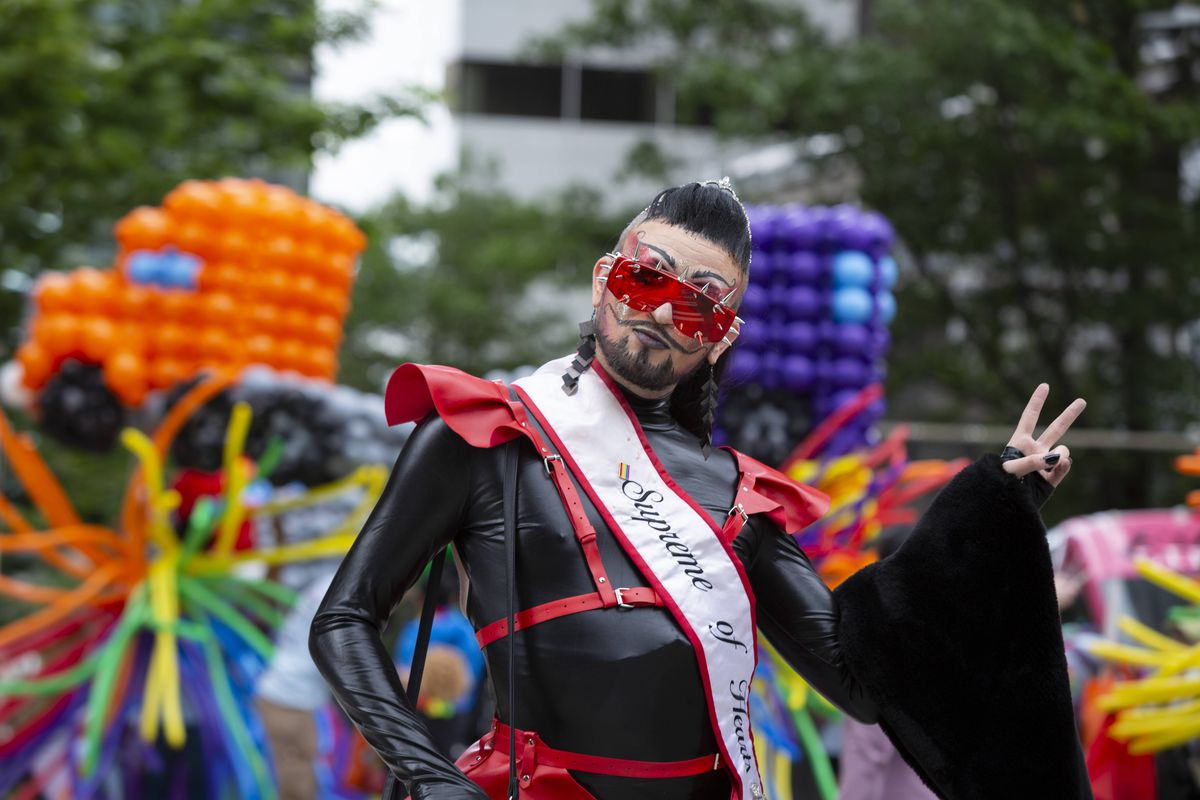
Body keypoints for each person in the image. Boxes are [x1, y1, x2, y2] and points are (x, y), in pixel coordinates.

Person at [310, 180, 1092, 800]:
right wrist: (433, 778)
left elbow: (860, 680)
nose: (659, 311)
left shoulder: (738, 493)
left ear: (721, 337)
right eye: (643, 277)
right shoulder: (489, 434)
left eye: (696, 302)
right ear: (603, 281)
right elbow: (344, 619)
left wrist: (991, 511)